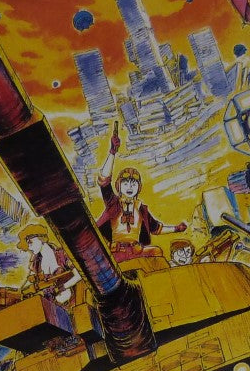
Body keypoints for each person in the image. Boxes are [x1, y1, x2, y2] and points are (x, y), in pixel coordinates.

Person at [96, 122, 186, 262]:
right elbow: (104, 181)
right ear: (119, 186)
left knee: (156, 251)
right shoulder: (113, 203)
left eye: (134, 183)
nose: (130, 187)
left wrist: (176, 228)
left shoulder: (141, 209)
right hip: (115, 254)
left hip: (136, 251)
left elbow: (156, 229)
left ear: (139, 187)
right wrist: (112, 152)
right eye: (126, 183)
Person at [18, 223, 81, 305]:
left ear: (41, 238)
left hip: (70, 301)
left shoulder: (62, 255)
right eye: (28, 244)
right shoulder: (36, 265)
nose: (29, 247)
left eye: (30, 242)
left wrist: (62, 287)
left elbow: (79, 275)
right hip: (48, 304)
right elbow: (31, 286)